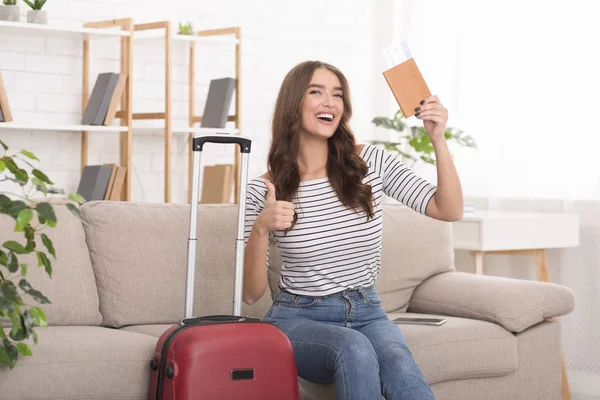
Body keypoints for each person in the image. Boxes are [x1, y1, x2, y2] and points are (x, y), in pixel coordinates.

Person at [242, 60, 463, 400]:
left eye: (338, 95)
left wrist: (438, 138)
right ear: (293, 103)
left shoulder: (370, 164)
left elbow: (449, 209)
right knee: (354, 348)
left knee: (399, 364)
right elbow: (251, 294)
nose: (329, 102)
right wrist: (260, 227)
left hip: (366, 309)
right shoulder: (265, 189)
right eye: (316, 92)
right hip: (297, 317)